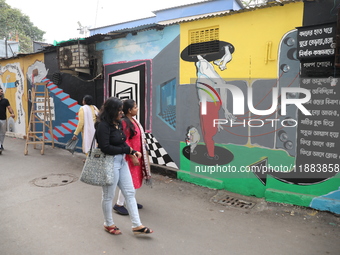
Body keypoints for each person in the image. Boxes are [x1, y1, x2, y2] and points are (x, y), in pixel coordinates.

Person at [95, 97, 153, 235]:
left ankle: (137, 225)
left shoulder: (118, 123)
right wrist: (126, 150)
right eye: (119, 110)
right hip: (110, 163)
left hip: (122, 162)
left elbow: (122, 141)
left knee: (130, 192)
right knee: (108, 196)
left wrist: (131, 151)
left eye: (122, 110)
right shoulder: (102, 126)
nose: (121, 113)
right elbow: (105, 148)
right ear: (111, 110)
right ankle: (108, 224)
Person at [113, 99, 151, 215]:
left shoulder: (133, 120)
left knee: (134, 180)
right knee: (129, 181)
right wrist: (132, 155)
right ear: (129, 110)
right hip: (130, 156)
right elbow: (125, 141)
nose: (137, 109)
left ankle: (131, 201)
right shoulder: (124, 122)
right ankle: (119, 204)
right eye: (135, 107)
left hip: (137, 155)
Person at [0, 87, 15, 154]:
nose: (1, 92)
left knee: (2, 133)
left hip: (3, 119)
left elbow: (9, 108)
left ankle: (1, 144)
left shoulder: (5, 100)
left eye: (1, 91)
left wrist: (12, 113)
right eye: (0, 91)